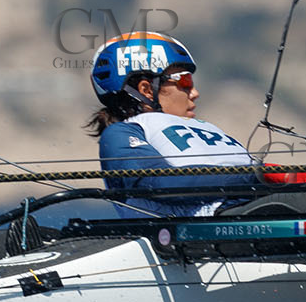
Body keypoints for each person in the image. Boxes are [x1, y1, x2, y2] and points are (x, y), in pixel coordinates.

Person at [86, 31, 264, 218]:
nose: (195, 93)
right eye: (185, 81)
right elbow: (159, 184)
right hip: (202, 228)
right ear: (146, 90)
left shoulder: (207, 128)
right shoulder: (122, 132)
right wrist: (256, 177)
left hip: (255, 209)